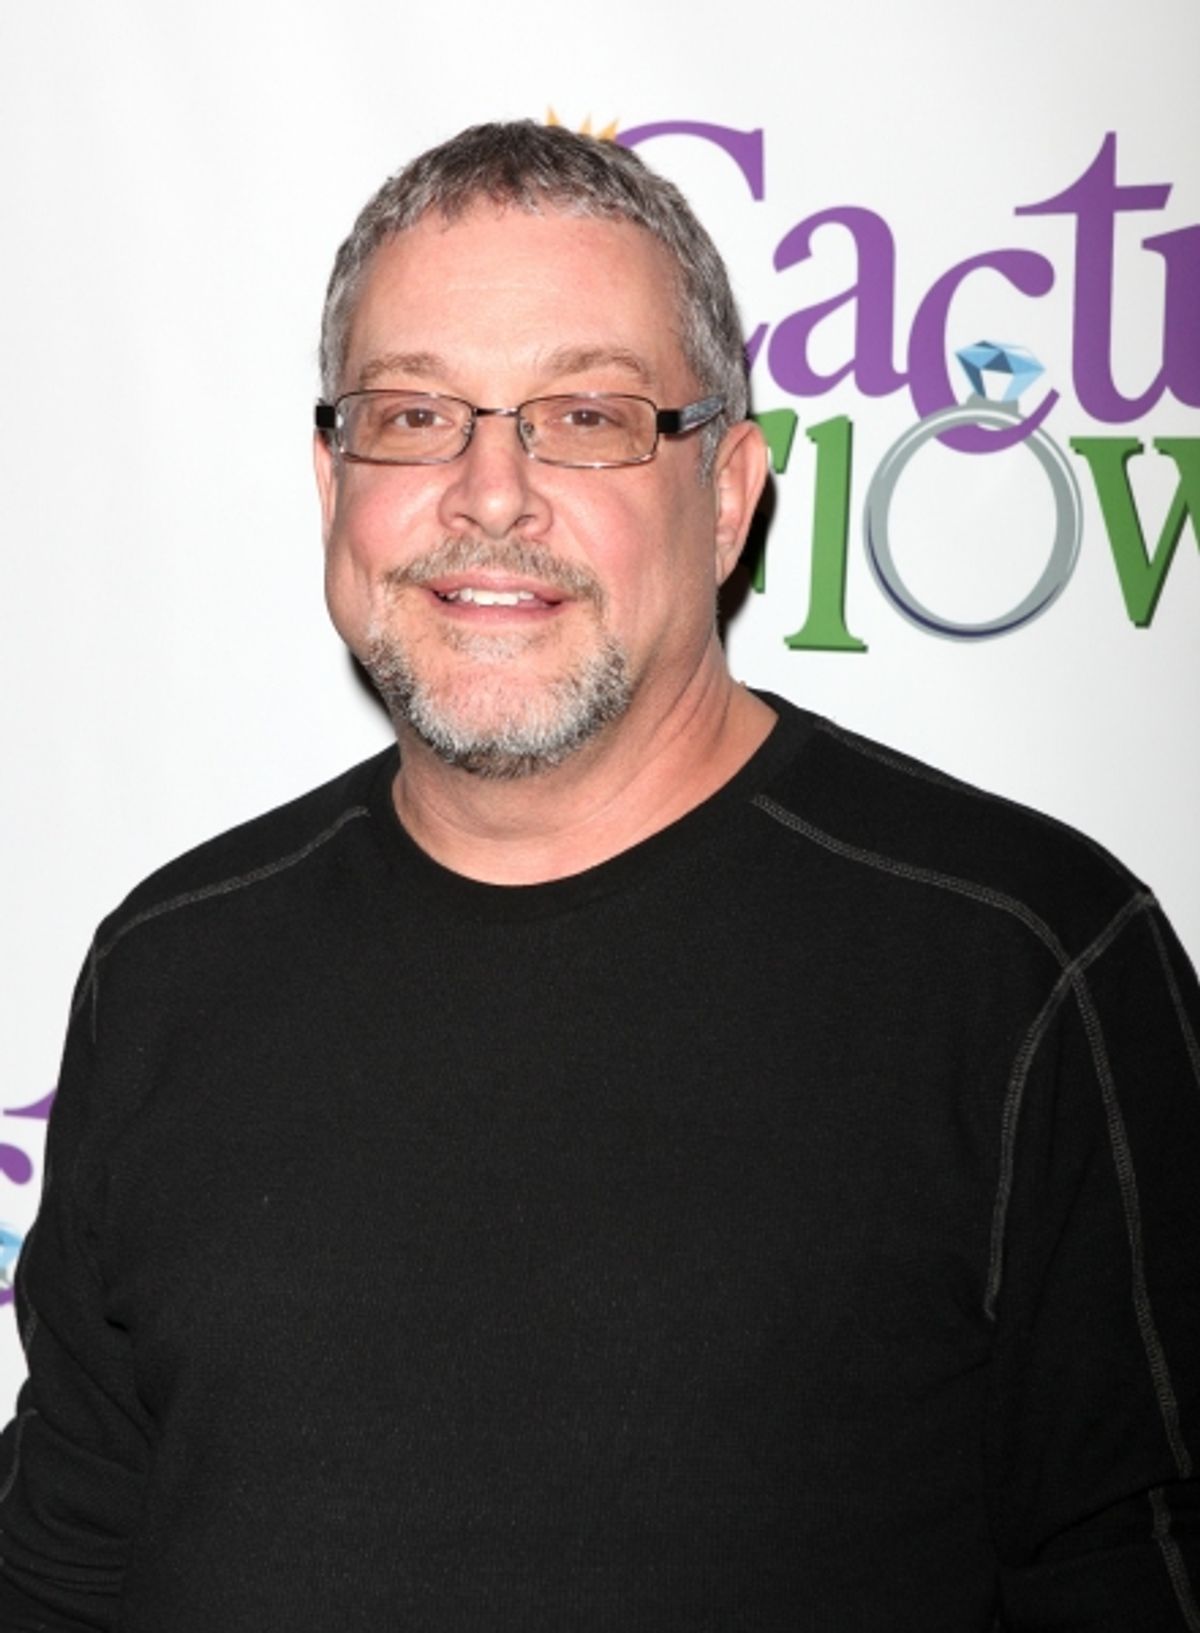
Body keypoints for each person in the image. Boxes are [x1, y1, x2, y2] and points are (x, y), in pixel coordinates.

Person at [1, 121, 1197, 1633]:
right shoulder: (167, 965)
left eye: (585, 414)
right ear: (330, 481)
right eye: (415, 414)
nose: (488, 493)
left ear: (729, 492)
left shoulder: (1029, 965)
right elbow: (65, 1565)